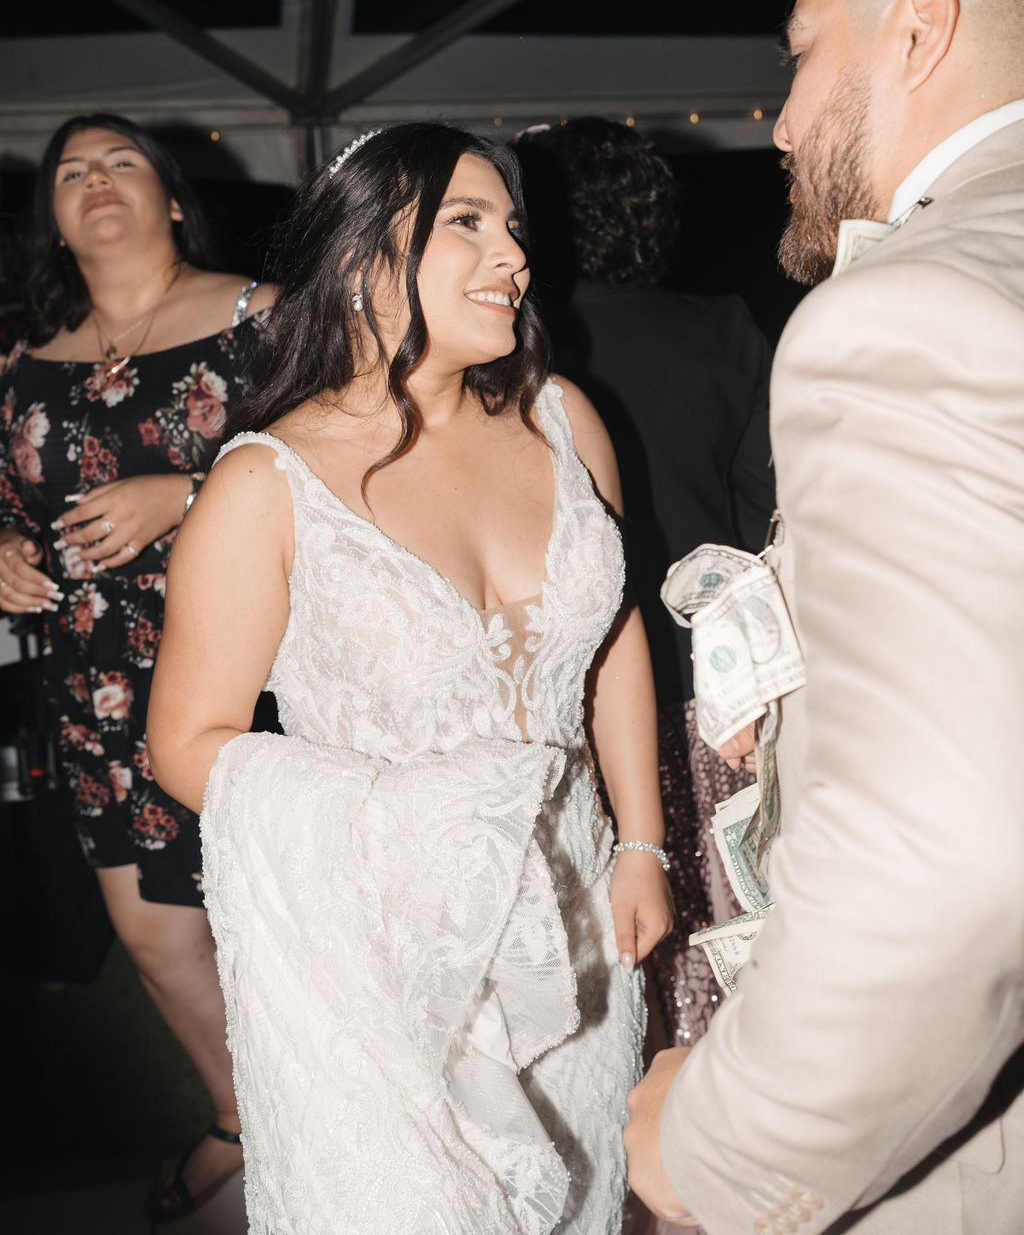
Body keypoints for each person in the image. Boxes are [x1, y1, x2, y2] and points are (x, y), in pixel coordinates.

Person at [146, 121, 674, 1234]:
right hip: (391, 946)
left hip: (581, 918)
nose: (515, 258)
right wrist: (396, 829)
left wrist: (639, 843)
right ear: (359, 260)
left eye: (513, 227)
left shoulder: (565, 416)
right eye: (467, 226)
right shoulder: (266, 484)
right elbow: (188, 738)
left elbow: (614, 631)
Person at [625, 0, 1024, 1234]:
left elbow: (958, 869)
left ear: (919, 31)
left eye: (799, 55)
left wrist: (723, 1150)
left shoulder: (909, 317)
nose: (776, 118)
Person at [0, 112, 275, 1220]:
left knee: (277, 917)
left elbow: (359, 467)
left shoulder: (261, 314)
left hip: (252, 670)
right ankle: (238, 1114)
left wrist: (193, 495)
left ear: (171, 198)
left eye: (122, 163)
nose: (96, 181)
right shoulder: (19, 357)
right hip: (95, 685)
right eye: (72, 171)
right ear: (55, 219)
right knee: (154, 931)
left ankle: (334, 1115)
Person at [514, 118, 775, 1051]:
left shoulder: (518, 362)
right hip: (717, 693)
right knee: (725, 942)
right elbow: (764, 526)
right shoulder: (724, 329)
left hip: (582, 700)